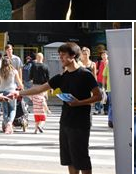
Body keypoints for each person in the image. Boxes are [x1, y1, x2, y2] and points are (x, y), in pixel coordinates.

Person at [10, 42, 101, 174]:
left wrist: (79, 102)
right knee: (69, 159)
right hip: (65, 122)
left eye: (63, 55)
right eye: (60, 55)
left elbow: (98, 96)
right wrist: (19, 93)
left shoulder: (85, 74)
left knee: (81, 158)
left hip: (80, 123)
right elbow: (40, 88)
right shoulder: (61, 77)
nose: (61, 58)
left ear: (73, 55)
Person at [0, 56, 23, 134]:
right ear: (10, 63)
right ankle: (9, 123)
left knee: (5, 111)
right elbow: (19, 83)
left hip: (2, 93)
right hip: (11, 92)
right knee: (13, 109)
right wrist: (20, 88)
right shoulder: (14, 71)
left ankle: (6, 124)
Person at [94, 50, 108, 115]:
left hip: (108, 83)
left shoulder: (110, 63)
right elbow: (95, 72)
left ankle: (106, 110)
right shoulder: (98, 63)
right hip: (99, 81)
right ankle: (97, 109)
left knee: (106, 96)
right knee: (98, 95)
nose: (103, 56)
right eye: (102, 55)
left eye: (105, 54)